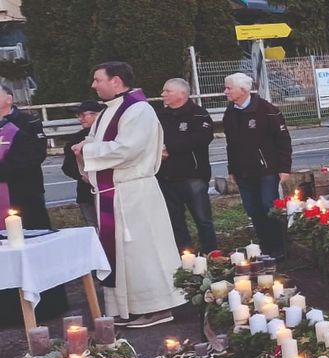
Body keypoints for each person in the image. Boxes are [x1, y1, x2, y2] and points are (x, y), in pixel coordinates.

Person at [72, 61, 185, 328]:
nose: (93, 85)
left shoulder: (138, 110)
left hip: (135, 192)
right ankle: (129, 307)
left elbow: (128, 149)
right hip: (114, 193)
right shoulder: (107, 111)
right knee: (123, 254)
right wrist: (85, 145)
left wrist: (87, 150)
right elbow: (99, 142)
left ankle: (158, 306)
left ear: (116, 80)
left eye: (98, 79)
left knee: (143, 251)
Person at [0, 85, 69, 325]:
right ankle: (7, 310)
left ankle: (46, 305)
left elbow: (31, 156)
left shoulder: (28, 123)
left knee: (34, 248)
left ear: (9, 98)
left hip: (23, 196)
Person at [222, 72, 291, 258]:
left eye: (229, 88)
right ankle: (264, 245)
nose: (225, 92)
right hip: (243, 171)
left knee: (268, 206)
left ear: (243, 90)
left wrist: (284, 167)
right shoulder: (230, 112)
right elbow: (231, 144)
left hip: (266, 169)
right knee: (252, 209)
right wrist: (232, 169)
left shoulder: (266, 109)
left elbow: (283, 140)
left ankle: (279, 246)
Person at [157, 78, 218, 253]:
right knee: (175, 219)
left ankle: (211, 253)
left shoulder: (199, 115)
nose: (163, 94)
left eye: (167, 91)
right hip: (167, 176)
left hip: (193, 176)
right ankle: (186, 255)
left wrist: (170, 148)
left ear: (182, 94)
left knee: (202, 218)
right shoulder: (160, 116)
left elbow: (201, 139)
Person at [61, 101, 105, 227]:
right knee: (94, 228)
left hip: (109, 190)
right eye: (78, 115)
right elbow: (67, 166)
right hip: (86, 192)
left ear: (97, 115)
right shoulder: (76, 138)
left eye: (83, 115)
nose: (80, 119)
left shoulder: (110, 135)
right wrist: (82, 175)